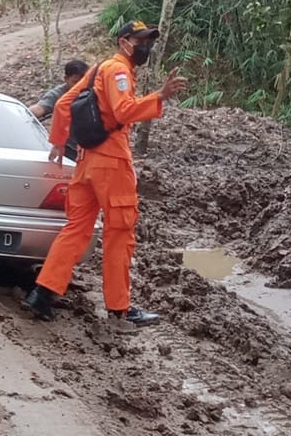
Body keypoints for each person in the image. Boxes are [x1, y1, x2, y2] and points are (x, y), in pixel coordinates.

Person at [23, 20, 188, 327]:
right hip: (111, 163)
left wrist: (59, 141)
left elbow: (63, 104)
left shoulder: (99, 68)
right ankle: (119, 309)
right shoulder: (119, 71)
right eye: (141, 41)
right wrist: (160, 97)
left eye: (148, 41)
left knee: (76, 230)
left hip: (86, 162)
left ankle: (42, 294)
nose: (146, 47)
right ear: (125, 42)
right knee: (119, 233)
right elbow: (124, 111)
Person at [29, 59, 89, 160]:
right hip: (67, 148)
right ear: (66, 79)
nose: (79, 86)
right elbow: (39, 109)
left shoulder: (94, 92)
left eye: (83, 82)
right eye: (75, 82)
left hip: (90, 147)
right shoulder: (58, 94)